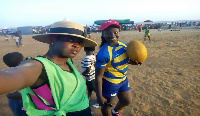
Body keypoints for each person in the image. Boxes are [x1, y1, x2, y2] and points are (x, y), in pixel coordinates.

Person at [0, 21, 97, 116]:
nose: (77, 45)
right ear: (52, 40)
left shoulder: (68, 61)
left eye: (80, 42)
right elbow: (16, 75)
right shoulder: (38, 66)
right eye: (70, 39)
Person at [95, 19, 141, 116]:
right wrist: (99, 96)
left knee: (126, 100)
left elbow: (123, 61)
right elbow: (98, 76)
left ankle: (114, 112)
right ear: (102, 34)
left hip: (123, 79)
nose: (112, 35)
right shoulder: (103, 53)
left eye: (115, 32)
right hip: (110, 83)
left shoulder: (124, 45)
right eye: (108, 33)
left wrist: (133, 62)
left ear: (119, 32)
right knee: (107, 105)